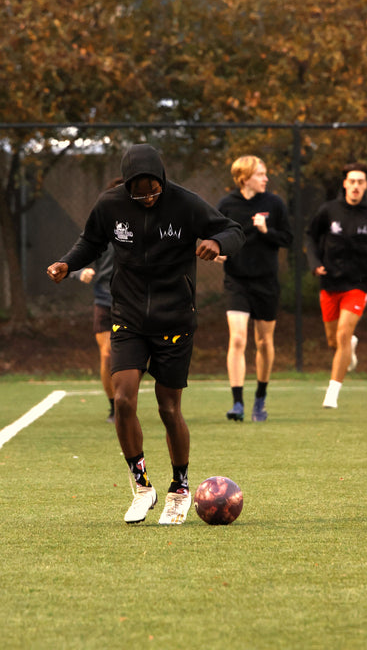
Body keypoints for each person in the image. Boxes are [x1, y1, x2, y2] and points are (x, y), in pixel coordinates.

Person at [47, 144, 245, 526]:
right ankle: (141, 486)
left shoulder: (185, 204)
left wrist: (216, 243)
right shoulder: (110, 206)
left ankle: (180, 488)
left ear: (163, 180)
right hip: (129, 316)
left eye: (154, 189)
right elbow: (91, 241)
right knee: (123, 399)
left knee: (169, 409)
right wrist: (67, 263)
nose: (148, 197)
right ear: (127, 188)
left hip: (175, 319)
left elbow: (232, 230)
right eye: (140, 191)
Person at [306, 162, 367, 409]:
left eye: (360, 182)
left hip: (358, 284)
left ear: (366, 185)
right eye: (351, 181)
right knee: (334, 341)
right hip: (330, 283)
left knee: (344, 333)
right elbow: (310, 236)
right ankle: (349, 347)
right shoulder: (328, 210)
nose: (355, 186)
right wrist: (315, 262)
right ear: (345, 183)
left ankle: (332, 394)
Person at [216, 155, 293, 423]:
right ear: (244, 178)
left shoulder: (274, 203)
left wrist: (266, 230)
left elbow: (288, 238)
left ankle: (260, 400)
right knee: (237, 339)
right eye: (260, 174)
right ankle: (237, 403)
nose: (266, 178)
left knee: (263, 341)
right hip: (237, 281)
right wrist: (218, 252)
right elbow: (215, 237)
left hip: (266, 282)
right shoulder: (226, 205)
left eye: (265, 173)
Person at [70, 177, 124, 424]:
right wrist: (81, 272)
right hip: (104, 298)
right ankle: (114, 406)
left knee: (133, 357)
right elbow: (73, 259)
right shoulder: (100, 226)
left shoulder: (143, 227)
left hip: (133, 300)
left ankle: (126, 397)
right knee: (107, 355)